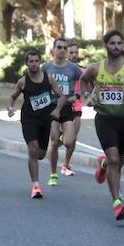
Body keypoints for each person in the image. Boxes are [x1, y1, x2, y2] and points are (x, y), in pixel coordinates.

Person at [81, 30, 124, 221]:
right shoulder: (96, 68)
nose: (116, 47)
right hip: (104, 119)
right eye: (112, 43)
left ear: (123, 46)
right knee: (114, 159)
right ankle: (117, 204)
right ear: (106, 45)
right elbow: (83, 80)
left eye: (119, 43)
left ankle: (103, 164)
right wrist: (89, 96)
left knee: (121, 160)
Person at [7, 49, 66, 199]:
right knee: (33, 149)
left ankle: (50, 145)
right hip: (29, 118)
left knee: (40, 154)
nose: (34, 64)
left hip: (45, 119)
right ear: (26, 63)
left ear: (40, 62)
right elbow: (12, 97)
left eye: (36, 61)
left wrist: (58, 110)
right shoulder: (23, 81)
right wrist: (10, 107)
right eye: (30, 61)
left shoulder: (49, 79)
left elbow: (61, 96)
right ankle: (36, 186)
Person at [44, 38, 82, 185]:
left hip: (67, 108)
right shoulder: (46, 67)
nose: (62, 50)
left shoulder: (73, 68)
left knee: (69, 142)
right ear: (53, 49)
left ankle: (62, 138)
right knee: (53, 142)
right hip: (52, 107)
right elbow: (36, 82)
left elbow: (86, 82)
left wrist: (78, 96)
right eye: (59, 47)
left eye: (64, 48)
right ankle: (53, 174)